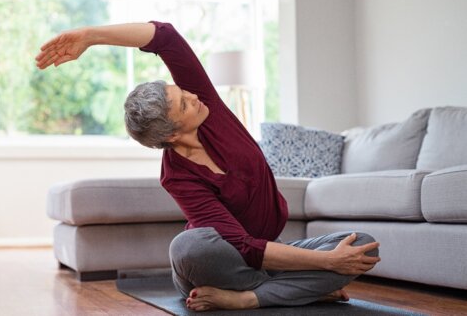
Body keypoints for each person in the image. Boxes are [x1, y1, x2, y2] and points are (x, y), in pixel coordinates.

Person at [35, 21, 381, 312]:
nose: (195, 96)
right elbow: (242, 246)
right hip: (221, 264)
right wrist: (327, 264)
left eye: (186, 93)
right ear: (170, 132)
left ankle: (250, 298)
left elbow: (166, 37)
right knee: (188, 246)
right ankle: (296, 290)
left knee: (362, 244)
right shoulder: (177, 177)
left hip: (265, 258)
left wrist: (91, 36)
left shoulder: (210, 110)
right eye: (184, 103)